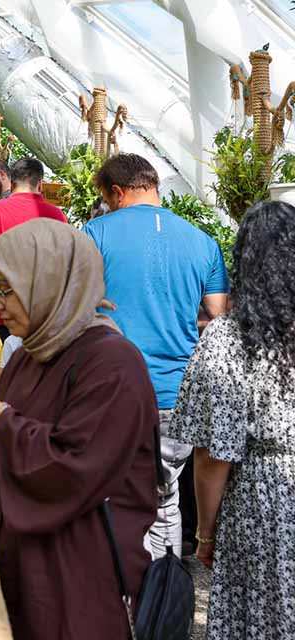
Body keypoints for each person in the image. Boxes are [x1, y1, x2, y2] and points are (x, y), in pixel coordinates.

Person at [0, 218, 159, 638]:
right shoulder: (28, 355)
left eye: (5, 289)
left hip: (79, 578)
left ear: (52, 281)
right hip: (25, 567)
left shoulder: (112, 363)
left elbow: (72, 468)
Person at [82, 152, 229, 560]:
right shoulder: (204, 242)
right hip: (178, 394)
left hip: (114, 390)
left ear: (116, 192)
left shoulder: (95, 234)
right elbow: (218, 316)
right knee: (164, 502)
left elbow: (79, 307)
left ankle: (122, 600)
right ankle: (165, 603)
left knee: (112, 496)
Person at [168, 201, 295, 639]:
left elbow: (211, 455)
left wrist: (205, 532)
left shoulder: (227, 337)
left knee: (256, 619)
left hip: (261, 500)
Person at [0, 157, 68, 341]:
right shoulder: (56, 214)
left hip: (1, 311)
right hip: (41, 312)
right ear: (40, 184)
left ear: (12, 180)